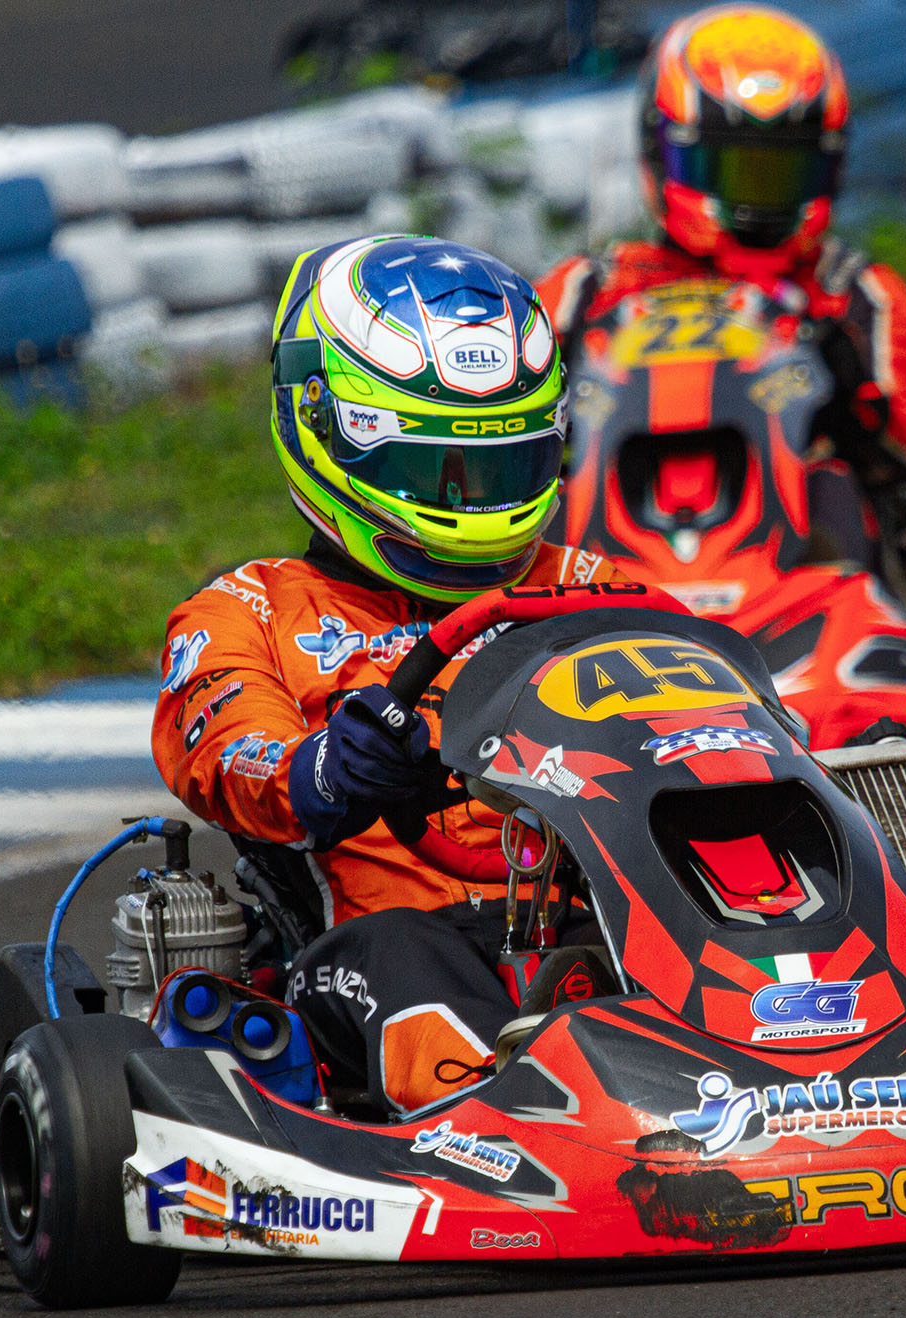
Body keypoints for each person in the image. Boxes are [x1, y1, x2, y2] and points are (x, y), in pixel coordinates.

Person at [150, 234, 596, 1120]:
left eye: (498, 470)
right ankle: (502, 1118)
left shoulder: (589, 588)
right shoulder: (250, 610)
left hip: (588, 918)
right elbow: (230, 757)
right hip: (373, 942)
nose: (469, 503)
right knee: (406, 961)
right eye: (432, 469)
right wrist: (324, 768)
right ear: (324, 427)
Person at [533, 3, 906, 746]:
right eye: (734, 167)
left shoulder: (854, 294)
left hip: (802, 570)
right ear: (668, 154)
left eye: (781, 170)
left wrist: (837, 370)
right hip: (598, 581)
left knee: (846, 485)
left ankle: (883, 645)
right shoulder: (582, 293)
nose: (757, 196)